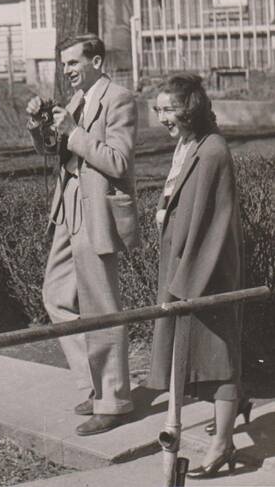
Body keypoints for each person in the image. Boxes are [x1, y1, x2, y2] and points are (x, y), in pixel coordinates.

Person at [26, 34, 140, 436]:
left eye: (73, 63)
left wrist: (74, 131)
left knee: (103, 305)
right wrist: (39, 127)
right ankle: (95, 383)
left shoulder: (119, 98)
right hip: (68, 208)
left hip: (97, 210)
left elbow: (118, 161)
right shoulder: (76, 100)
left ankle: (114, 400)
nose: (67, 71)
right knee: (55, 296)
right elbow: (53, 152)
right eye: (63, 64)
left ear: (96, 60)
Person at [146, 73, 245, 478]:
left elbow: (211, 222)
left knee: (218, 357)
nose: (162, 118)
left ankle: (222, 444)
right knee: (202, 355)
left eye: (169, 109)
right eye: (158, 110)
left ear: (191, 108)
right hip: (184, 265)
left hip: (205, 271)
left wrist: (184, 284)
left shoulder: (211, 152)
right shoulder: (189, 146)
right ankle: (231, 418)